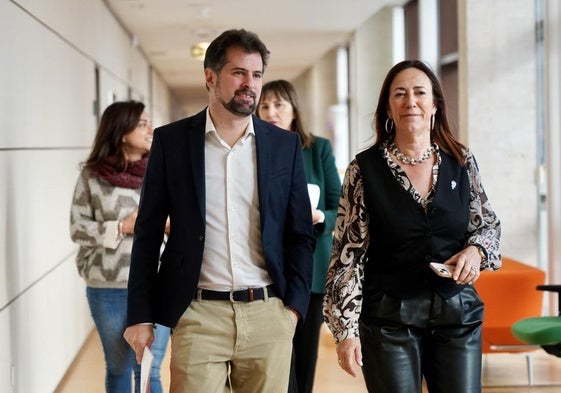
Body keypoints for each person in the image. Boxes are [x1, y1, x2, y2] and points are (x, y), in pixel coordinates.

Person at [123, 29, 315, 393]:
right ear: (210, 77)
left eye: (256, 75)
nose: (250, 84)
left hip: (268, 312)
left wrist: (293, 308)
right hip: (198, 315)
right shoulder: (172, 142)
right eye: (238, 73)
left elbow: (299, 233)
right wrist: (140, 315)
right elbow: (147, 233)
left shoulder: (284, 146)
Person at [323, 60, 502, 393]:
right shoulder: (364, 170)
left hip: (457, 315)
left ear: (434, 104)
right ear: (388, 109)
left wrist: (477, 251)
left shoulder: (461, 160)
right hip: (389, 319)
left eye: (420, 92)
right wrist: (345, 331)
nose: (411, 102)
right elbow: (348, 255)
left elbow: (487, 226)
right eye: (400, 94)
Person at [69, 100, 170, 393]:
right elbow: (77, 228)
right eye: (143, 123)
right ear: (121, 130)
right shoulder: (92, 176)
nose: (151, 129)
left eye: (150, 122)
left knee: (149, 370)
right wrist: (121, 227)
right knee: (119, 369)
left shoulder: (160, 172)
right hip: (107, 288)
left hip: (155, 285)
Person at [256, 79, 342, 393]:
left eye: (279, 104)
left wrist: (318, 216)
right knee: (272, 357)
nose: (271, 112)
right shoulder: (254, 149)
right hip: (265, 267)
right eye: (264, 105)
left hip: (311, 269)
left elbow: (339, 207)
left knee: (304, 355)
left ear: (294, 110)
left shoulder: (317, 149)